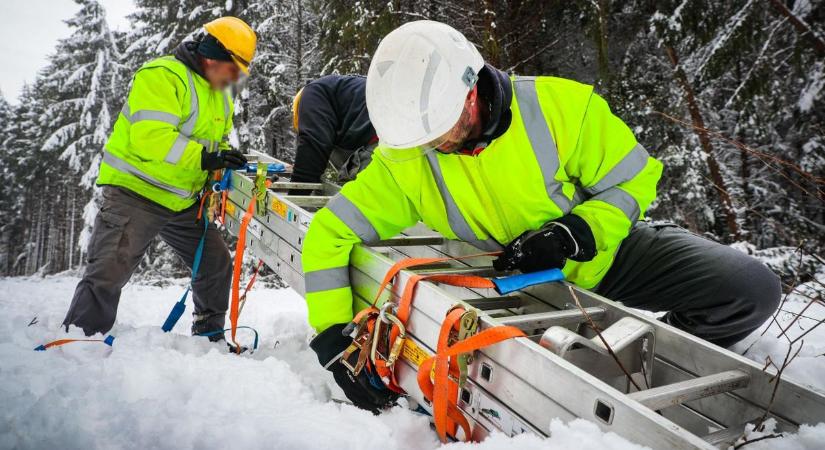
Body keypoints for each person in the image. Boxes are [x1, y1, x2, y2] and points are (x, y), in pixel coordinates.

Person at [301, 21, 781, 412]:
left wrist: (575, 232)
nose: (434, 147)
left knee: (750, 290)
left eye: (439, 132)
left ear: (471, 94)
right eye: (422, 139)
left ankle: (662, 363)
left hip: (604, 258)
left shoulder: (560, 108)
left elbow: (634, 179)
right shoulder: (405, 160)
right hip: (510, 287)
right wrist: (333, 341)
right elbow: (329, 232)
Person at [62, 17, 257, 345]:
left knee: (215, 263)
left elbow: (215, 142)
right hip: (136, 193)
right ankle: (79, 341)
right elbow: (150, 137)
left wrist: (224, 157)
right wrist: (204, 157)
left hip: (181, 201)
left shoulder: (219, 95)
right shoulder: (163, 76)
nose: (235, 79)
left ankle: (208, 337)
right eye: (233, 69)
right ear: (213, 57)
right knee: (110, 268)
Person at [289, 75, 376, 194]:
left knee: (354, 199)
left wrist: (296, 196)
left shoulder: (311, 94)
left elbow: (313, 146)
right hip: (401, 135)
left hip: (381, 137)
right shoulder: (336, 92)